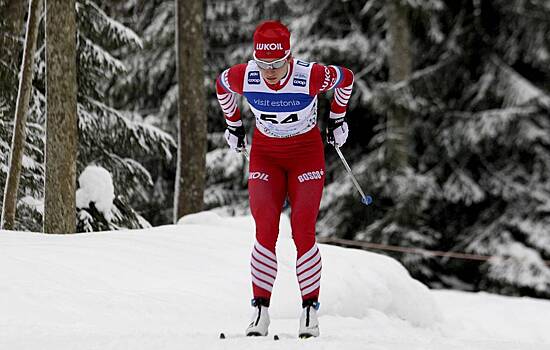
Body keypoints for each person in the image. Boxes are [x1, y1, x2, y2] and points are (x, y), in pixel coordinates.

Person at [215, 20, 354, 338]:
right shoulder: (247, 75)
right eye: (263, 64)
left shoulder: (310, 75)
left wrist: (336, 118)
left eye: (277, 63)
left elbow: (346, 79)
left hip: (306, 154)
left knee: (302, 230)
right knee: (265, 227)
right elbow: (222, 85)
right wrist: (234, 125)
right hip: (266, 155)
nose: (270, 71)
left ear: (289, 57)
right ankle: (260, 310)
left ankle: (309, 311)